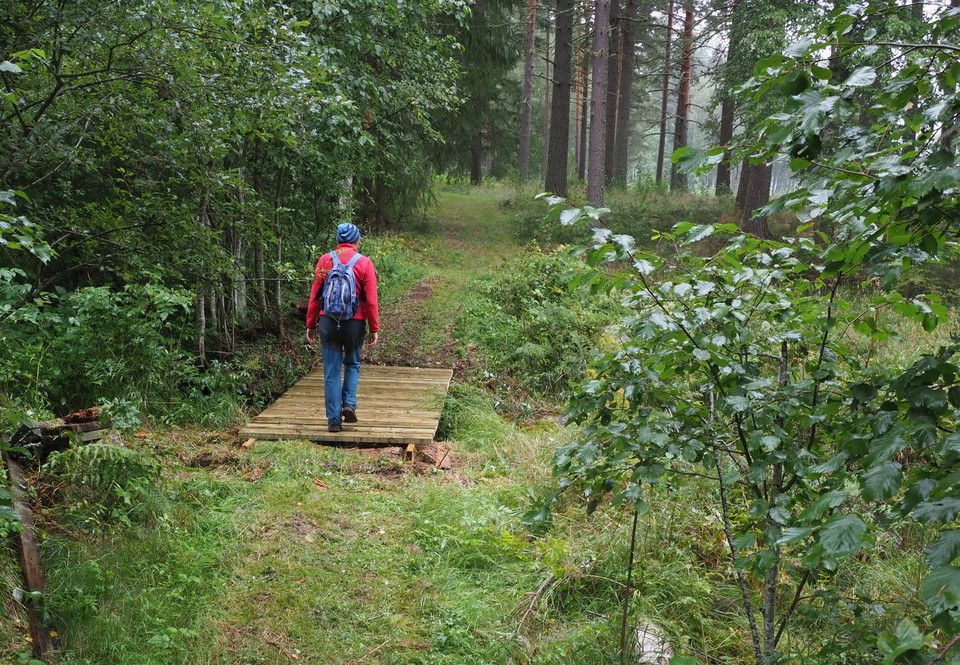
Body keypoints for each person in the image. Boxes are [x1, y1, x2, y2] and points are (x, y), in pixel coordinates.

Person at [305, 223, 380, 432]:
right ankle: (349, 404)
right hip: (354, 324)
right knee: (353, 363)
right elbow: (371, 301)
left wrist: (310, 324)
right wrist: (374, 328)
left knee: (331, 370)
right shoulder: (364, 263)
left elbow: (315, 297)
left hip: (328, 322)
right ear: (356, 241)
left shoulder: (325, 260)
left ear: (338, 241)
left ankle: (334, 421)